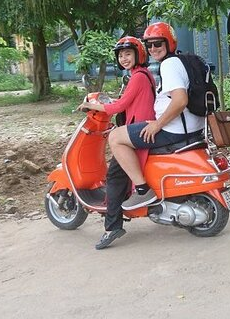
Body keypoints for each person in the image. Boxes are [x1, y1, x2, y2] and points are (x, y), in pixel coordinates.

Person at [108, 21, 204, 211]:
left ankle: (143, 190)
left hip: (174, 130)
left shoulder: (168, 65)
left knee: (115, 137)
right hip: (193, 127)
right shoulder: (182, 60)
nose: (153, 49)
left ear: (169, 43)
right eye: (149, 45)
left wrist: (157, 125)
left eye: (158, 44)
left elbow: (180, 100)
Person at [80, 36, 156, 250]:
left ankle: (113, 226)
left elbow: (118, 106)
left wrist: (90, 105)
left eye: (128, 54)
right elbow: (125, 103)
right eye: (121, 55)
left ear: (139, 55)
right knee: (116, 173)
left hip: (136, 133)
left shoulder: (139, 77)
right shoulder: (142, 75)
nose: (124, 58)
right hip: (137, 129)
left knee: (113, 175)